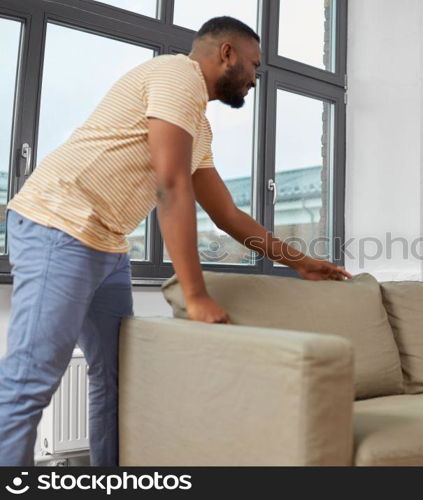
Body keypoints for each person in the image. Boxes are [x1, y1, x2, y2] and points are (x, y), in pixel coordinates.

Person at [0, 16, 351, 467]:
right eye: (254, 66)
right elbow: (171, 186)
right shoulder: (175, 76)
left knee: (116, 377)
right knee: (32, 377)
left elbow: (226, 214)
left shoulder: (197, 127)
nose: (255, 80)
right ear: (226, 53)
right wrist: (196, 295)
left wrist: (299, 261)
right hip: (58, 224)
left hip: (107, 245)